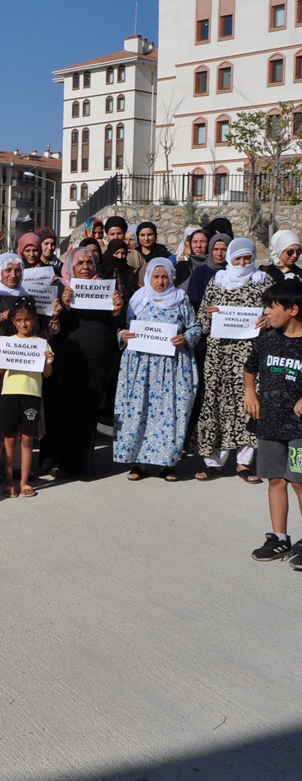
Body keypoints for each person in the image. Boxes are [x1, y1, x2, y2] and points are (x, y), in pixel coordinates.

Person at [114, 257, 200, 481]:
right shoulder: (138, 300)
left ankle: (166, 464)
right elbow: (124, 329)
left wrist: (186, 337)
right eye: (156, 276)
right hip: (141, 368)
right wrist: (122, 335)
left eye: (164, 277)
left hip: (171, 369)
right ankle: (140, 464)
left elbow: (195, 327)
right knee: (139, 412)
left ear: (172, 277)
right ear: (147, 277)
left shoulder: (181, 300)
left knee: (168, 414)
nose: (160, 282)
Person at [189, 237, 268, 482]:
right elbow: (200, 319)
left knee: (249, 407)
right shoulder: (218, 281)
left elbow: (276, 314)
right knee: (216, 405)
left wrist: (267, 321)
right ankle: (214, 462)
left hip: (250, 357)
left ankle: (244, 463)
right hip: (219, 357)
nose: (243, 263)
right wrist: (210, 315)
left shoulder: (263, 282)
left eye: (247, 258)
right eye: (238, 258)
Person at [44, 247, 125, 480]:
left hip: (97, 361)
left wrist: (118, 309)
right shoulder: (60, 288)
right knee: (64, 409)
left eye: (90, 262)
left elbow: (119, 322)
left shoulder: (108, 290)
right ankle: (59, 462)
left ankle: (84, 465)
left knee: (88, 411)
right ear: (71, 266)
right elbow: (53, 327)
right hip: (68, 359)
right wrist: (65, 307)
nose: (86, 267)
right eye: (80, 263)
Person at [244, 279, 302, 563]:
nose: (266, 311)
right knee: (276, 479)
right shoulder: (267, 338)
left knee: (300, 482)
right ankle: (280, 538)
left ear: (293, 309)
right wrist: (250, 392)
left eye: (271, 306)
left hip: (299, 428)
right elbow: (249, 368)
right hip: (269, 423)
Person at [0, 297, 53, 497]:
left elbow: (47, 374)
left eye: (27, 319)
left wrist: (48, 362)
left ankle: (24, 482)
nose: (23, 324)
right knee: (9, 439)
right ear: (14, 322)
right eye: (19, 320)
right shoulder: (8, 344)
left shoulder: (41, 344)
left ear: (34, 320)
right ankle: (9, 482)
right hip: (9, 394)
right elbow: (0, 371)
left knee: (27, 440)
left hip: (32, 395)